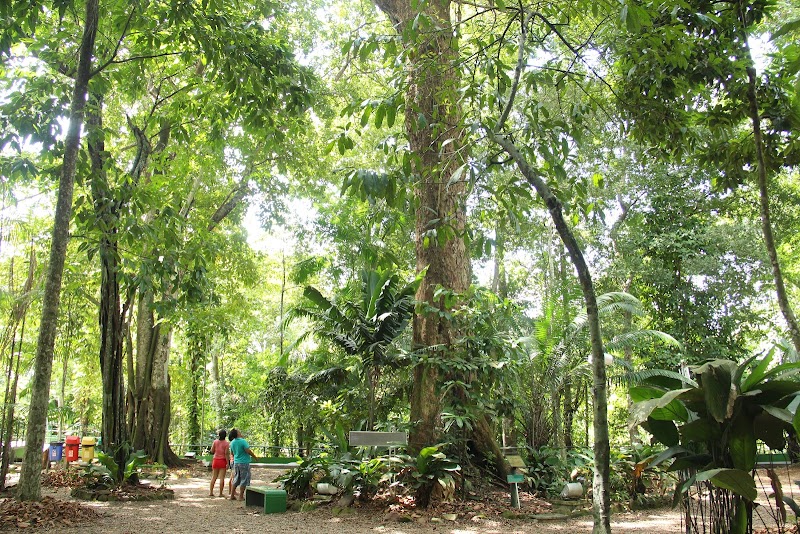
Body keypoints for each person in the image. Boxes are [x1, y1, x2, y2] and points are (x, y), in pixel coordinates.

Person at [228, 428, 258, 500]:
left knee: (236, 478)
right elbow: (248, 450)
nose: (240, 431)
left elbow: (232, 453)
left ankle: (232, 495)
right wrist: (254, 457)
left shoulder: (232, 443)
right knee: (244, 479)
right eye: (239, 431)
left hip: (236, 462)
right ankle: (241, 496)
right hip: (244, 462)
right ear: (237, 433)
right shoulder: (243, 441)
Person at [208, 429, 231, 497]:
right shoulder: (226, 443)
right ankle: (220, 493)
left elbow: (212, 451)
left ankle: (211, 492)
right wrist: (228, 463)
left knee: (214, 477)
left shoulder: (215, 442)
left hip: (215, 460)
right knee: (222, 478)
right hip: (222, 461)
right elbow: (226, 454)